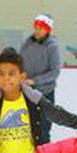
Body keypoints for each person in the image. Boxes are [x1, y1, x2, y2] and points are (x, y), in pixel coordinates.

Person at [19, 14, 62, 143]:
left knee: (42, 130)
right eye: (36, 27)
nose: (37, 31)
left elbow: (55, 72)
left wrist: (35, 80)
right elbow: (20, 61)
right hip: (26, 92)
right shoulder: (28, 42)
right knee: (26, 129)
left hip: (45, 93)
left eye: (41, 28)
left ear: (48, 30)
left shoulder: (52, 46)